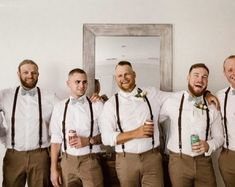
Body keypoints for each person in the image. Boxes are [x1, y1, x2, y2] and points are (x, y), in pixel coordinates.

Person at [99, 60, 172, 187]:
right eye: (120, 76)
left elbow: (176, 98)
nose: (124, 78)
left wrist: (206, 94)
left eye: (127, 74)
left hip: (152, 158)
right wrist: (136, 133)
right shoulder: (111, 104)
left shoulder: (151, 93)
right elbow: (106, 138)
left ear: (134, 74)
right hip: (126, 161)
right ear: (116, 79)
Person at [160, 63, 224, 187]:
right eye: (196, 75)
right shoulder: (171, 100)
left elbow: (219, 137)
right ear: (188, 77)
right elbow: (156, 119)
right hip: (178, 162)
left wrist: (208, 145)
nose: (200, 79)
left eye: (204, 77)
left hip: (204, 162)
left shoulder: (212, 106)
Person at [0, 59, 59, 187]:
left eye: (34, 73)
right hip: (14, 156)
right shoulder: (5, 95)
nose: (30, 76)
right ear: (18, 74)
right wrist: (5, 138)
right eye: (25, 72)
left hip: (41, 155)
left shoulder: (50, 96)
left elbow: (66, 113)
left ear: (38, 74)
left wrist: (93, 101)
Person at [50, 68, 104, 187]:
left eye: (84, 82)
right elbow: (56, 140)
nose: (81, 85)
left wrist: (89, 140)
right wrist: (53, 168)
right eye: (77, 82)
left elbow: (107, 135)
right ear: (68, 83)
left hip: (91, 161)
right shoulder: (59, 107)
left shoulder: (97, 105)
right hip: (67, 162)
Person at [217, 55, 235, 187]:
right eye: (230, 70)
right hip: (229, 156)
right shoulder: (220, 96)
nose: (234, 73)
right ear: (224, 73)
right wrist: (207, 93)